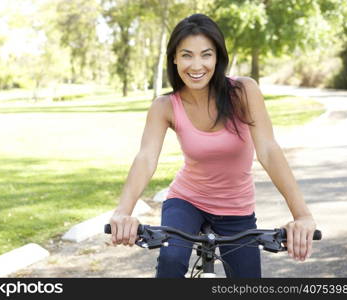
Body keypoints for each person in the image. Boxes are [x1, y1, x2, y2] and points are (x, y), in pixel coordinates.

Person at [108, 13, 316, 278]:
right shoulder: (165, 106)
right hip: (186, 201)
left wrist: (302, 215)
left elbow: (268, 150)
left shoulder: (243, 91)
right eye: (186, 55)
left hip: (236, 209)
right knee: (171, 261)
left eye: (206, 54)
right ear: (174, 57)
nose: (196, 65)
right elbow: (146, 158)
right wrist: (122, 213)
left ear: (217, 57)